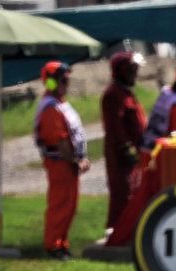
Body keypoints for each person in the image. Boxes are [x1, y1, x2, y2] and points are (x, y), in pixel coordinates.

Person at [32, 61, 89, 259]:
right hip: (60, 163)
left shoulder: (60, 104)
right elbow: (61, 141)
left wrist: (81, 158)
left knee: (70, 205)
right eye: (64, 80)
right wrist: (76, 161)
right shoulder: (51, 108)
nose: (68, 84)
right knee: (60, 205)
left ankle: (62, 243)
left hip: (68, 163)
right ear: (51, 83)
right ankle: (53, 245)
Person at [100, 51, 146, 239]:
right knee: (122, 192)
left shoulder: (127, 93)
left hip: (132, 153)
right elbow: (115, 126)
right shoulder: (113, 95)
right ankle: (116, 231)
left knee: (133, 192)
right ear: (120, 71)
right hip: (121, 155)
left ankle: (128, 230)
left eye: (136, 69)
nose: (135, 74)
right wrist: (127, 149)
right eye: (131, 70)